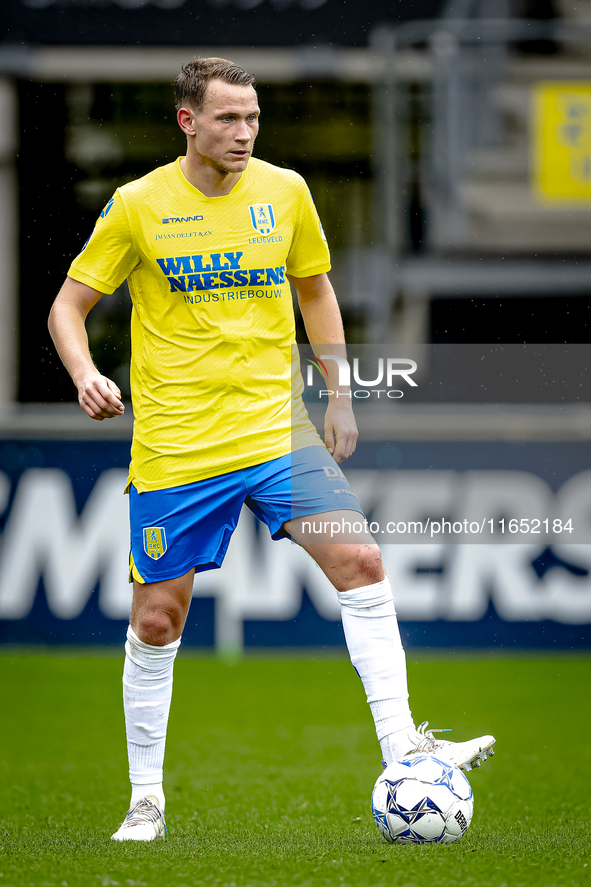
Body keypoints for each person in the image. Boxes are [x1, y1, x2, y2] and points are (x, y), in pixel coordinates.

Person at [48, 57, 495, 842]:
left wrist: (341, 395)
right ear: (188, 121)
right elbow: (68, 306)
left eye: (252, 117)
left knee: (361, 564)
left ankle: (403, 752)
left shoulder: (285, 192)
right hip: (179, 446)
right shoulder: (137, 205)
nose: (244, 132)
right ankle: (145, 797)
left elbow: (315, 289)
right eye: (227, 118)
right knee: (157, 620)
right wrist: (86, 373)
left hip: (275, 430)